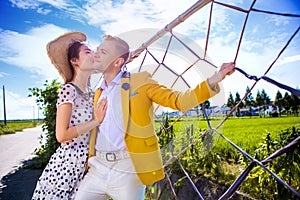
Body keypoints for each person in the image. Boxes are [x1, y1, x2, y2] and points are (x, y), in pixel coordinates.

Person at [75, 35, 235, 200]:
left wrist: (216, 77)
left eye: (103, 51)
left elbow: (179, 100)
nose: (96, 54)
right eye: (97, 50)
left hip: (128, 170)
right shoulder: (99, 92)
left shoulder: (140, 81)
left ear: (117, 62)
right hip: (97, 168)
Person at [32, 32, 108, 200]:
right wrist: (96, 121)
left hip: (89, 162)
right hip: (68, 166)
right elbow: (61, 135)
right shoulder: (69, 90)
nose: (93, 54)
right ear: (74, 61)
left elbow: (110, 67)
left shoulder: (91, 93)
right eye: (87, 52)